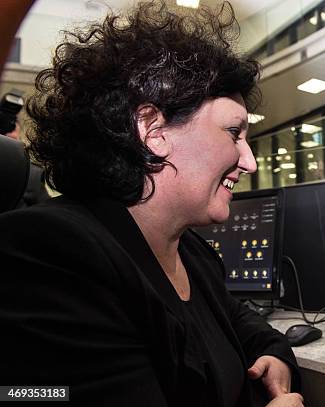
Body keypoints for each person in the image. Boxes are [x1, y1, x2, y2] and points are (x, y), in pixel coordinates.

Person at [0, 2, 303, 406]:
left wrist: (275, 355)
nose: (248, 161)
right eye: (234, 133)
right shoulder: (54, 254)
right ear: (153, 130)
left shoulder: (191, 253)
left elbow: (244, 325)